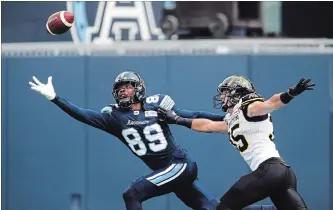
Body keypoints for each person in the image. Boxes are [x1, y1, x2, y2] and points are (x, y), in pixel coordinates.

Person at [29, 71, 227, 210]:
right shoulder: (114, 117)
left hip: (180, 165)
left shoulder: (156, 106)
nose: (123, 91)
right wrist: (55, 98)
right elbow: (83, 115)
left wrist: (228, 117)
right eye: (120, 88)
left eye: (128, 87)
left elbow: (195, 114)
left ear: (139, 88)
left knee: (132, 193)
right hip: (168, 171)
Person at [158, 75, 313, 210]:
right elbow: (207, 125)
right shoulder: (235, 118)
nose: (222, 97)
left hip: (269, 170)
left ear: (236, 92)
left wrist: (290, 93)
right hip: (283, 173)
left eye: (225, 92)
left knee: (224, 208)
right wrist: (178, 120)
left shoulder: (249, 107)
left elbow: (271, 104)